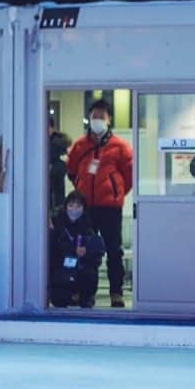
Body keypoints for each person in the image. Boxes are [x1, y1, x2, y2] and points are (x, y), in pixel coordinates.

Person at [66, 98, 134, 307]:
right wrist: (81, 186)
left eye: (101, 117)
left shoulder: (120, 147)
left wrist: (115, 193)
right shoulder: (79, 145)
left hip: (110, 208)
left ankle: (116, 292)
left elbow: (128, 176)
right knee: (85, 250)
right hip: (85, 208)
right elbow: (71, 170)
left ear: (109, 119)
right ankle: (84, 292)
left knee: (114, 250)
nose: (97, 120)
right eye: (94, 116)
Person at [48, 190, 106, 308]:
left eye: (78, 206)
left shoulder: (89, 226)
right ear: (66, 206)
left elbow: (98, 254)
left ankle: (84, 295)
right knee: (59, 299)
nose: (74, 209)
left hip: (81, 270)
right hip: (61, 270)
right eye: (71, 205)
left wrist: (86, 253)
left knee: (89, 273)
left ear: (83, 208)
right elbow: (52, 250)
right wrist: (71, 251)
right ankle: (70, 296)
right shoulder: (56, 224)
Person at [48, 114, 72, 214]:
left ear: (52, 128)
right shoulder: (59, 142)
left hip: (53, 189)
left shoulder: (56, 143)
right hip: (55, 190)